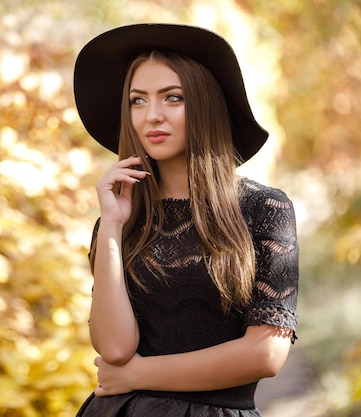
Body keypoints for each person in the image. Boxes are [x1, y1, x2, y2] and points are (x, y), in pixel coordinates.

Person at [73, 23, 299, 416]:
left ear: (205, 104)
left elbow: (266, 353)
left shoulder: (264, 209)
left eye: (172, 98)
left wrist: (139, 375)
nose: (152, 116)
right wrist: (110, 226)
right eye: (138, 101)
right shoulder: (120, 220)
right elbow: (114, 348)